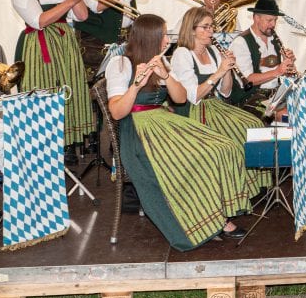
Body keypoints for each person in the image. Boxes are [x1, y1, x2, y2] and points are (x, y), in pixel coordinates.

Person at [105, 14, 253, 248]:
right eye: (163, 35)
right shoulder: (120, 64)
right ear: (150, 38)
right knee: (198, 155)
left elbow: (181, 98)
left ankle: (213, 214)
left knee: (222, 147)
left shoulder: (163, 62)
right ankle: (208, 221)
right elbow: (117, 112)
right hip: (139, 132)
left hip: (163, 122)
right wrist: (136, 85)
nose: (168, 40)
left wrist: (166, 76)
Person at [11, 0, 97, 161]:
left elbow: (83, 16)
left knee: (69, 88)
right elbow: (39, 20)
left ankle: (67, 143)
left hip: (64, 43)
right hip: (39, 45)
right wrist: (69, 2)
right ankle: (43, 144)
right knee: (44, 88)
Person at [170, 6, 269, 197]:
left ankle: (252, 187)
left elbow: (225, 92)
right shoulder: (182, 54)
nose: (211, 31)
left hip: (215, 105)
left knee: (254, 124)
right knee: (236, 134)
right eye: (205, 27)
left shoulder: (214, 51)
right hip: (194, 110)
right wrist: (219, 72)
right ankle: (234, 191)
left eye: (212, 27)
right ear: (192, 29)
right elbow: (193, 96)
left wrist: (228, 70)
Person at [228, 0, 296, 116]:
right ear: (256, 17)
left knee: (301, 107)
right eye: (269, 20)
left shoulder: (273, 39)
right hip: (248, 99)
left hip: (273, 95)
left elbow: (280, 73)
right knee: (286, 114)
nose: (273, 24)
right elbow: (248, 80)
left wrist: (288, 66)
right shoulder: (241, 42)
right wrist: (278, 71)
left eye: (275, 20)